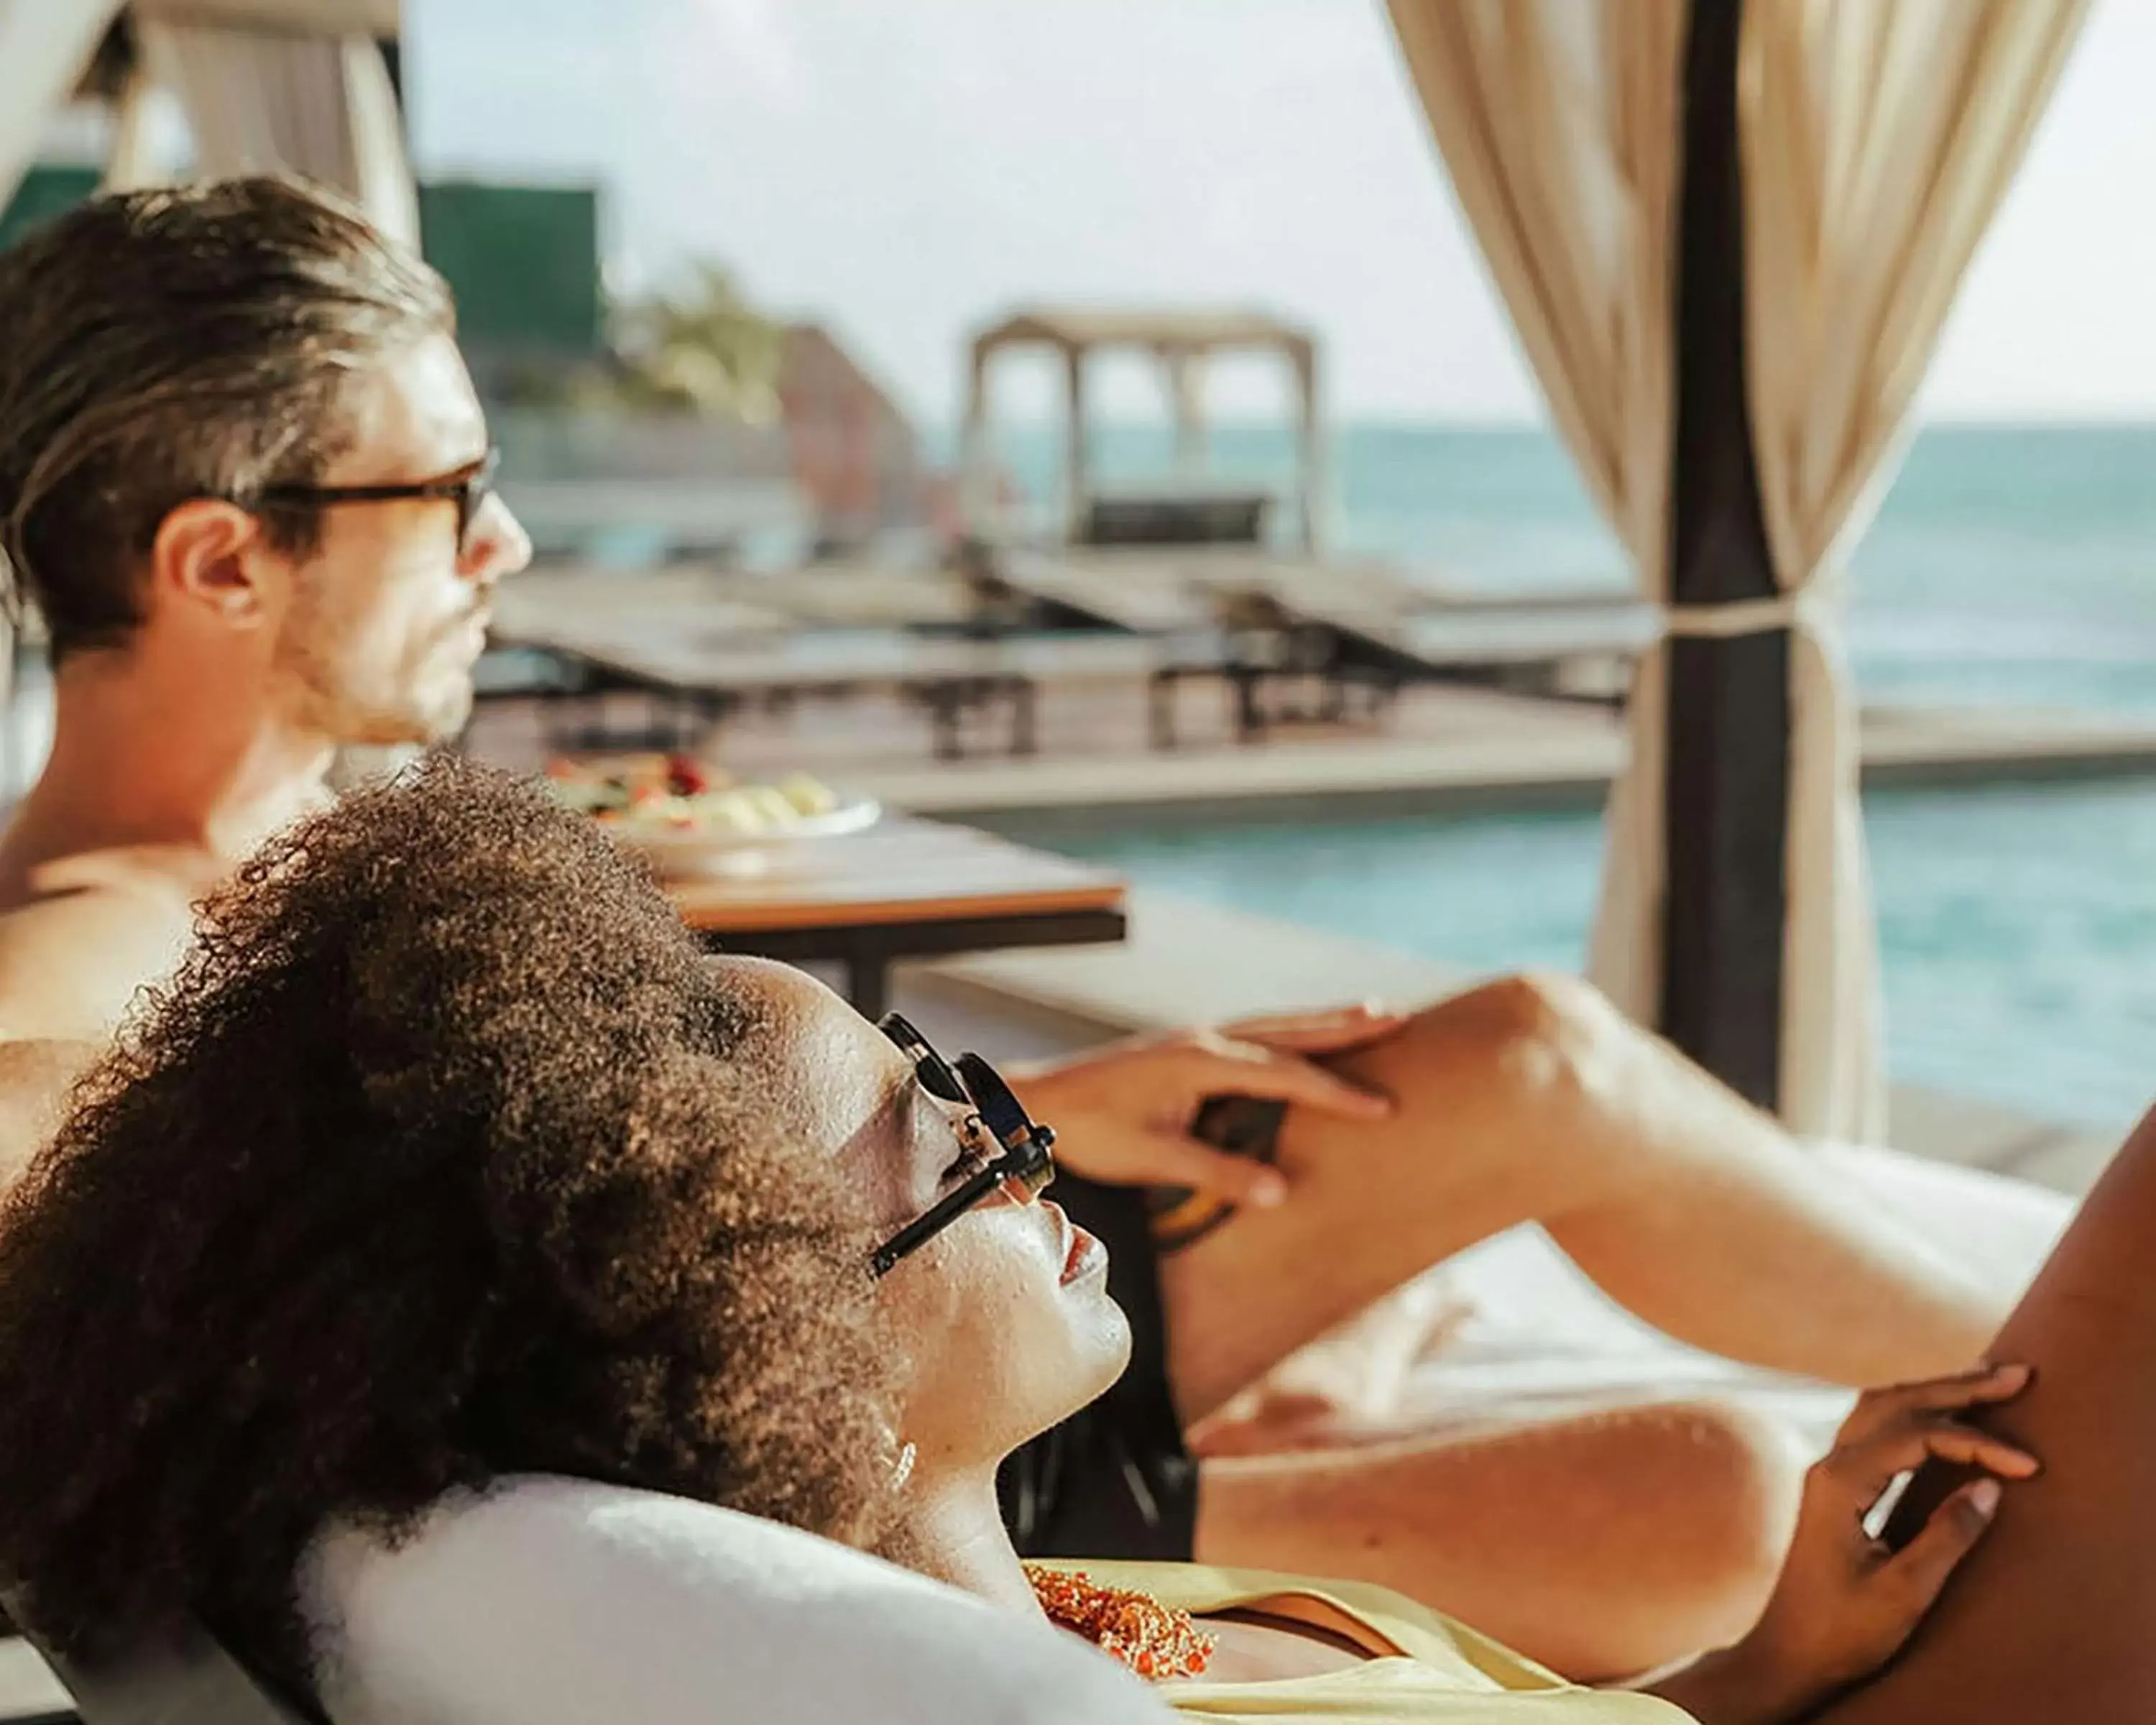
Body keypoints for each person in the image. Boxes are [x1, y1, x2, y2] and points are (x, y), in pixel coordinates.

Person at [0, 178, 2020, 1673]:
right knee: (1712, 1507)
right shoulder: (94, 935)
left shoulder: (301, 861)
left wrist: (1025, 1105)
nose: (505, 543)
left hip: (865, 1271)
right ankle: (2053, 1414)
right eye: (447, 496)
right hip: (840, 1426)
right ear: (220, 561)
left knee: (1525, 1060)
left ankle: (2057, 1375)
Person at [0, 760, 2058, 1725]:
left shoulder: (1053, 1616)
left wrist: (1760, 1666)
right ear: (784, 1365)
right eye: (940, 1122)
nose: (1009, 1116)